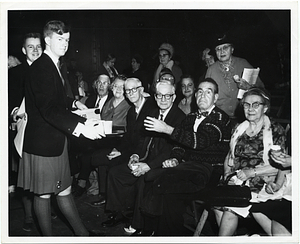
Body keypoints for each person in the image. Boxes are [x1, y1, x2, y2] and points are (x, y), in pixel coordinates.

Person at [17, 20, 105, 236]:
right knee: (44, 195)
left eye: (67, 39)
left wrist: (73, 103)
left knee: (63, 190)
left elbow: (55, 100)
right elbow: (48, 110)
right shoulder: (41, 67)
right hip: (43, 144)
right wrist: (81, 128)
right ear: (47, 40)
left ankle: (82, 235)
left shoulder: (54, 65)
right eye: (60, 39)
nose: (65, 44)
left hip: (54, 141)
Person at [136, 78, 232, 236]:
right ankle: (162, 231)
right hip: (187, 167)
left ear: (215, 97)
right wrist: (175, 158)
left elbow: (199, 141)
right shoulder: (191, 117)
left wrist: (168, 129)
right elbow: (180, 145)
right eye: (199, 91)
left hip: (209, 172)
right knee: (155, 179)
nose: (202, 95)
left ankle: (158, 231)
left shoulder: (220, 119)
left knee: (162, 184)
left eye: (208, 92)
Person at [101, 81, 186, 230]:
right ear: (155, 96)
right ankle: (121, 213)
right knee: (116, 173)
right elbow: (143, 140)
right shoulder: (153, 113)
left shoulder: (179, 117)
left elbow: (170, 150)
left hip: (164, 164)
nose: (163, 99)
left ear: (174, 97)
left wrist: (148, 166)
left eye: (168, 96)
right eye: (160, 95)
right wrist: (135, 156)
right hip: (146, 159)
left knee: (143, 180)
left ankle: (139, 225)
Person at [213, 87, 286, 236]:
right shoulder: (238, 129)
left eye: (255, 104)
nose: (250, 109)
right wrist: (228, 176)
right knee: (216, 204)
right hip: (238, 180)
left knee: (229, 209)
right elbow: (230, 155)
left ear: (265, 108)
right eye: (246, 105)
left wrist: (251, 172)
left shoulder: (275, 130)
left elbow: (281, 165)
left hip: (262, 181)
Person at [87, 78, 156, 207]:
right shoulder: (131, 111)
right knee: (98, 157)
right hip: (129, 148)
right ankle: (107, 197)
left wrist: (125, 153)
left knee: (111, 167)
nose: (130, 93)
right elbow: (128, 137)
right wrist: (118, 150)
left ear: (141, 90)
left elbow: (145, 140)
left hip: (142, 153)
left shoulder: (150, 107)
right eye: (128, 90)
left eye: (133, 90)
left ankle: (115, 208)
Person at [8, 32, 43, 232]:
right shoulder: (15, 73)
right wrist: (15, 113)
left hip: (45, 132)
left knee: (43, 174)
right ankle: (29, 216)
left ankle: (43, 209)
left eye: (38, 46)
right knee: (26, 176)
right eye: (31, 47)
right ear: (24, 50)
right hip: (24, 131)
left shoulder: (50, 70)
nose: (35, 50)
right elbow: (10, 101)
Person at [205, 34, 264, 122]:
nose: (222, 51)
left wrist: (248, 87)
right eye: (218, 49)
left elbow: (262, 89)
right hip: (220, 119)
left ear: (232, 49)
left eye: (225, 47)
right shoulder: (211, 70)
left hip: (244, 117)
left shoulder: (243, 64)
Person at [251, 152, 292, 236]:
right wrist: (277, 185)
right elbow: (286, 166)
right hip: (290, 188)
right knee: (256, 209)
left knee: (279, 219)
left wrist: (293, 161)